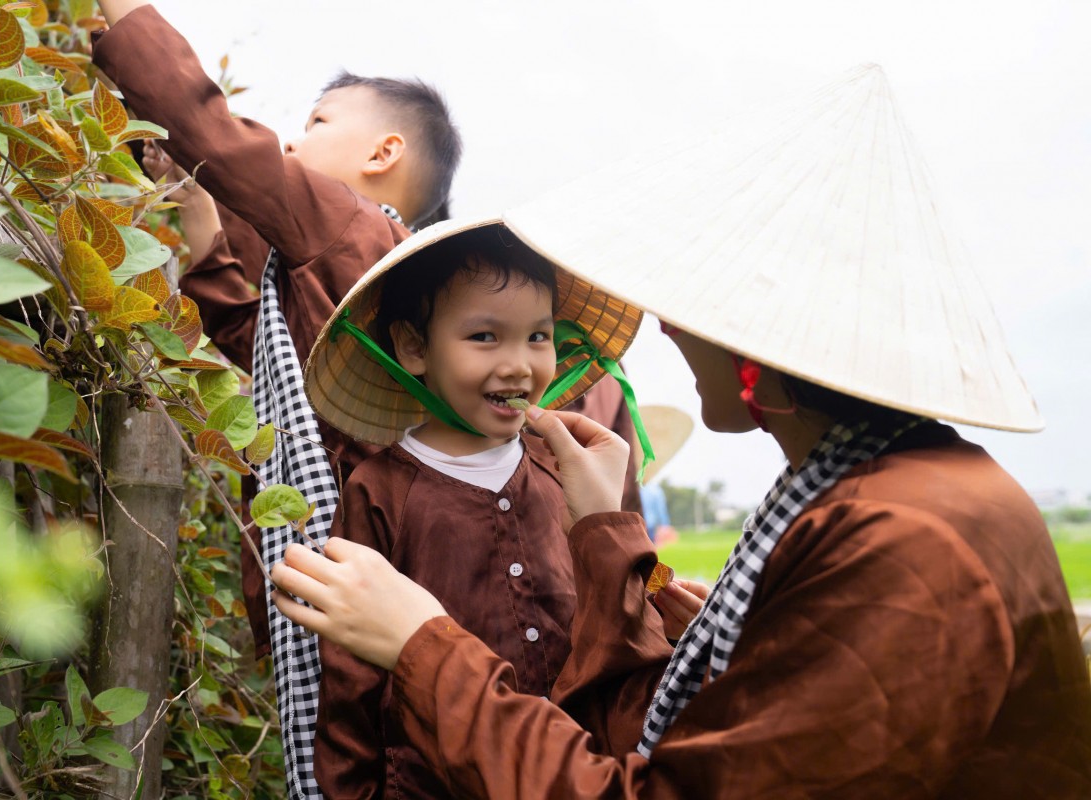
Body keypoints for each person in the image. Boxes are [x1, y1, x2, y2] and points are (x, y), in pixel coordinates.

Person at [271, 65, 1091, 797]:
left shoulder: (903, 546)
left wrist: (422, 643)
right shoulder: (892, 489)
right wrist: (607, 538)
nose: (665, 328)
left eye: (697, 305)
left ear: (762, 347)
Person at [92, 4, 461, 797]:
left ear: (382, 152)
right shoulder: (369, 270)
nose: (293, 138)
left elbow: (222, 143)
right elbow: (260, 338)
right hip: (366, 566)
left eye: (317, 121)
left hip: (358, 566)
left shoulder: (357, 232)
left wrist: (122, 21)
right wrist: (201, 232)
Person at [299, 217, 646, 797]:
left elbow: (620, 619)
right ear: (414, 347)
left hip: (561, 772)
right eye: (484, 337)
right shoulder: (378, 491)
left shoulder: (564, 474)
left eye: (538, 336)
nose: (519, 364)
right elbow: (349, 676)